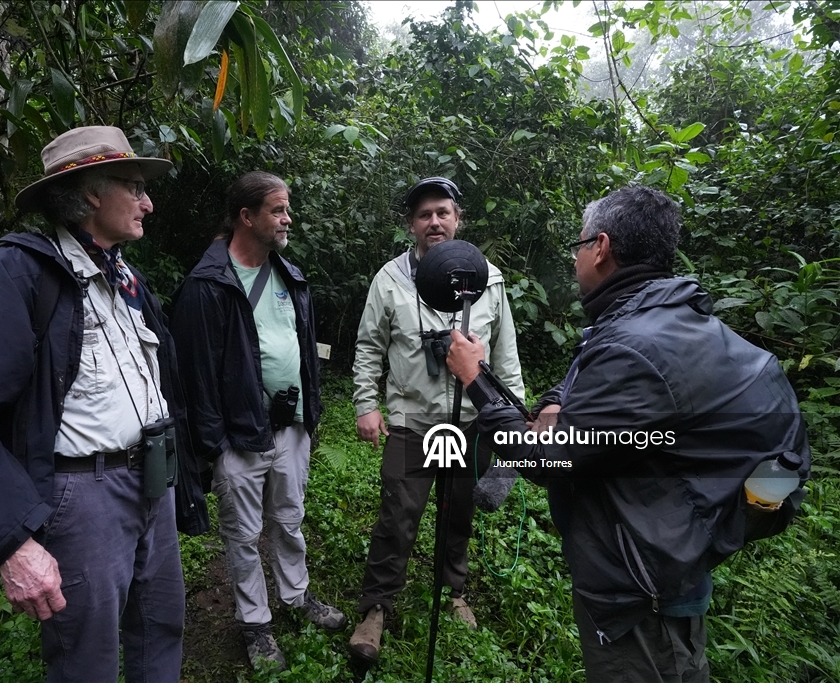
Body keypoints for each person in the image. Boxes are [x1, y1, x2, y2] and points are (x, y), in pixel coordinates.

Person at [446, 185, 811, 683]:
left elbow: (543, 459)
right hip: (666, 567)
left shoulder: (634, 343)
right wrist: (556, 400)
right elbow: (600, 378)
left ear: (600, 247)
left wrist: (475, 380)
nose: (576, 260)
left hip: (643, 594)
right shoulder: (662, 321)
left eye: (578, 246)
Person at [0, 126, 207, 683]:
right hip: (83, 496)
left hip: (153, 483)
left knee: (162, 629)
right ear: (92, 192)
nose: (149, 202)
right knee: (85, 661)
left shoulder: (124, 277)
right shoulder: (16, 273)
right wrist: (13, 542)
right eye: (135, 186)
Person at [170, 171, 345, 671]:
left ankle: (296, 597)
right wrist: (215, 445)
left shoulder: (290, 276)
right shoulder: (207, 287)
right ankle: (255, 623)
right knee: (244, 535)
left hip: (290, 426)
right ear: (246, 217)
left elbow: (303, 350)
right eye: (278, 210)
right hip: (238, 438)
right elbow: (195, 375)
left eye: (287, 209)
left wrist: (310, 415)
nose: (288, 218)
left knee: (289, 520)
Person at [348, 177, 524, 663]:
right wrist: (366, 403)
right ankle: (376, 606)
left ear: (457, 219)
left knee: (459, 510)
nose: (434, 222)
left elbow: (506, 353)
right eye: (424, 215)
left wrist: (516, 417)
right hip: (413, 422)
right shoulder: (390, 280)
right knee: (397, 516)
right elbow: (368, 347)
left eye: (443, 212)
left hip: (470, 421)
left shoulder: (488, 279)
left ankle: (455, 592)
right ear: (412, 225)